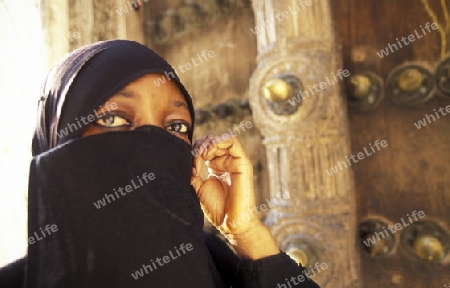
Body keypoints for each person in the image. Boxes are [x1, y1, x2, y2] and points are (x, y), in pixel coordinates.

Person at [0, 40, 320, 287]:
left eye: (175, 127)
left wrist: (245, 232)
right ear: (57, 136)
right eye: (114, 118)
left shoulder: (220, 264)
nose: (151, 143)